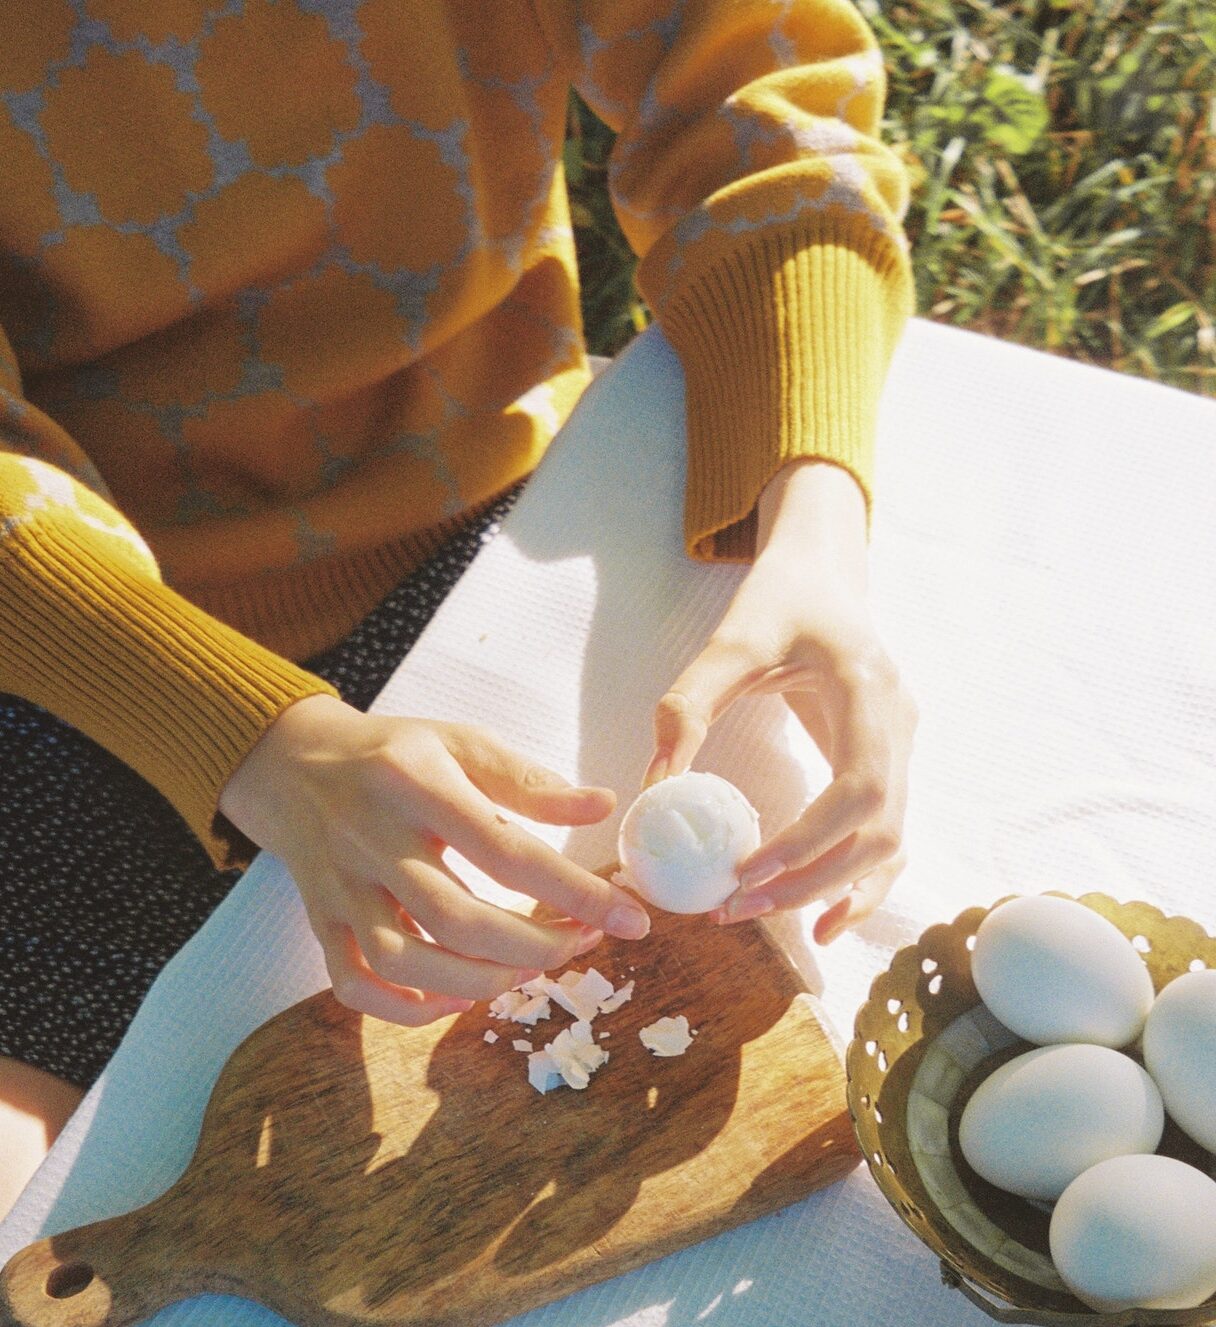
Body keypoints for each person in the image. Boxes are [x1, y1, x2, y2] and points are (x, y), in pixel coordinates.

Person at [0, 0, 918, 1215]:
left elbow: (755, 90)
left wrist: (811, 526)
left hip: (511, 537)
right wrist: (264, 743)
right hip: (74, 655)